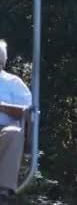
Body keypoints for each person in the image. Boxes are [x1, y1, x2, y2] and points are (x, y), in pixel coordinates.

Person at [0, 40, 32, 200]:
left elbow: (26, 113)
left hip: (3, 133)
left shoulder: (13, 83)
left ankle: (3, 192)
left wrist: (2, 107)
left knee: (14, 133)